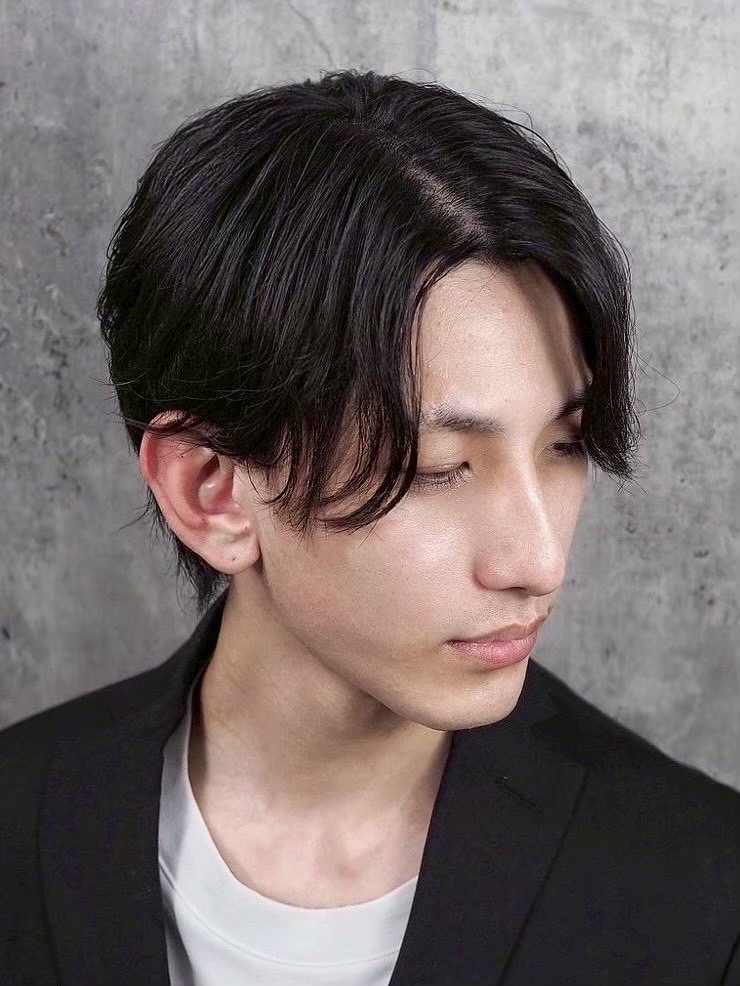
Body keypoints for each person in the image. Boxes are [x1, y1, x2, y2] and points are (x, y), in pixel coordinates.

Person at [0, 68, 738, 986]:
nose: (538, 560)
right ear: (212, 491)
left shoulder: (698, 895)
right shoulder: (22, 830)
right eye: (439, 469)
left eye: (566, 445)